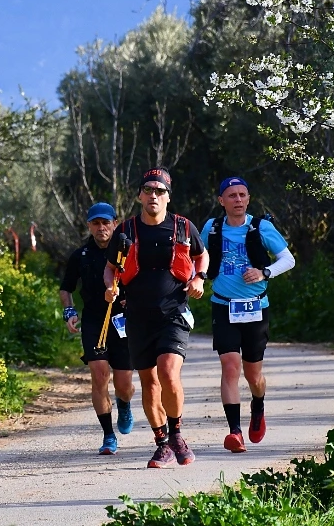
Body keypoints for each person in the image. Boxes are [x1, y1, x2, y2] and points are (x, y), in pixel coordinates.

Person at [104, 167, 208, 469]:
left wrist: (199, 277)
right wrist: (109, 287)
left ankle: (176, 433)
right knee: (149, 383)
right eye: (148, 190)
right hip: (136, 316)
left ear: (167, 197)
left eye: (159, 191)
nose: (153, 195)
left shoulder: (183, 227)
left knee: (168, 372)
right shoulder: (126, 231)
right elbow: (111, 267)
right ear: (139, 195)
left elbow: (202, 256)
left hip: (173, 313)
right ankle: (161, 443)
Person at [200, 176, 295, 453]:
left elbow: (288, 260)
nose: (238, 200)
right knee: (230, 366)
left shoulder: (261, 227)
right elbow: (199, 255)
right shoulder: (212, 228)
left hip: (255, 307)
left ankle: (258, 404)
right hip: (223, 304)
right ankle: (234, 432)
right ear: (221, 201)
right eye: (232, 195)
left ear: (248, 199)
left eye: (242, 195)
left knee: (254, 375)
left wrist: (264, 272)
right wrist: (199, 274)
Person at [59, 202, 136, 455]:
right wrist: (69, 311)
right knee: (99, 374)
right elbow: (66, 288)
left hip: (124, 321)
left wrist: (131, 298)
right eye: (96, 223)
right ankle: (108, 435)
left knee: (124, 383)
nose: (101, 227)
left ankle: (124, 405)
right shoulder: (80, 255)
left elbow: (144, 279)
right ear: (89, 226)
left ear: (115, 223)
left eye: (106, 222)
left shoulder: (128, 251)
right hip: (93, 320)